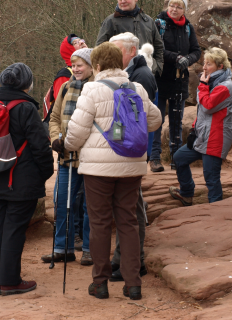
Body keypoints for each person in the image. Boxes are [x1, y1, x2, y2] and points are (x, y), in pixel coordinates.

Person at [64, 43, 161, 301]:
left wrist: (65, 146)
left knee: (100, 223)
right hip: (131, 164)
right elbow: (155, 120)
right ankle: (133, 284)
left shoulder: (92, 89)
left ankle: (100, 283)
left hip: (98, 169)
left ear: (96, 65)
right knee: (128, 221)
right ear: (119, 62)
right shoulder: (136, 88)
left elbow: (77, 132)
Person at [0, 63, 54, 296]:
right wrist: (45, 172)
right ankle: (10, 281)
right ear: (26, 83)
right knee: (14, 228)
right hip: (21, 180)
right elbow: (40, 145)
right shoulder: (25, 108)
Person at [109, 32, 156, 282]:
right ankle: (124, 260)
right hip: (126, 151)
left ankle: (132, 261)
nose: (114, 56)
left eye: (118, 50)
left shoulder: (140, 77)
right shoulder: (131, 73)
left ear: (131, 51)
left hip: (131, 151)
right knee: (127, 208)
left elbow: (145, 117)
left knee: (133, 209)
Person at [41, 48, 94, 266]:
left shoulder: (96, 88)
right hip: (65, 155)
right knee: (62, 201)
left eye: (80, 64)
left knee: (90, 206)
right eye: (73, 64)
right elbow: (53, 117)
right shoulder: (64, 87)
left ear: (91, 66)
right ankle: (62, 248)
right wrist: (55, 138)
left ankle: (90, 249)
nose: (76, 68)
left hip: (91, 158)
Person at [169, 48, 232, 207]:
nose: (204, 67)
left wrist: (203, 86)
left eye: (209, 64)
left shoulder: (225, 87)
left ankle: (215, 209)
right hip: (202, 136)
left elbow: (207, 106)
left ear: (220, 67)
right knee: (179, 158)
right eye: (204, 63)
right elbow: (202, 113)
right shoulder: (212, 83)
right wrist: (193, 129)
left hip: (215, 138)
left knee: (211, 177)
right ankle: (186, 193)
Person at [150, 0, 202, 173]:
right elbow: (158, 49)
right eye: (172, 6)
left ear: (184, 10)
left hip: (180, 80)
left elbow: (196, 50)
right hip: (159, 79)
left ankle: (176, 158)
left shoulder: (188, 27)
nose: (174, 9)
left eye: (179, 7)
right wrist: (176, 57)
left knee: (176, 120)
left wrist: (188, 59)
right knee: (156, 119)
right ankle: (155, 158)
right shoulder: (159, 24)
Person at [95, 0, 164, 76]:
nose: (123, 1)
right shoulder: (110, 21)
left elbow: (159, 46)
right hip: (121, 75)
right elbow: (100, 48)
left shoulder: (148, 21)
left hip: (147, 74)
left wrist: (158, 67)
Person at [43, 35, 88, 121]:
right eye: (76, 43)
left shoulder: (94, 69)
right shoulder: (64, 75)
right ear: (69, 50)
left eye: (81, 40)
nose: (82, 43)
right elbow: (61, 108)